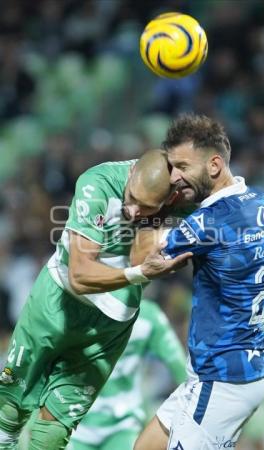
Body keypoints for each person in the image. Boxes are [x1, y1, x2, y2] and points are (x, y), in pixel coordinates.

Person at [0, 150, 191, 450]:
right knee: (9, 408)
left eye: (145, 207)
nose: (132, 210)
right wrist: (139, 272)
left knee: (55, 428)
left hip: (109, 324)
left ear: (168, 200)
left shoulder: (182, 198)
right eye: (131, 198)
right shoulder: (97, 183)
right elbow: (79, 275)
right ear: (131, 175)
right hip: (58, 301)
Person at [133, 114, 264, 450]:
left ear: (214, 165)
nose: (174, 178)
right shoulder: (262, 202)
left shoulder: (208, 223)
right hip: (246, 366)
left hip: (223, 379)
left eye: (182, 166)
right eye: (170, 168)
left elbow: (139, 257)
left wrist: (153, 202)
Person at [67, 298, 186, 450]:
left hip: (122, 423)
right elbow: (183, 371)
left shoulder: (149, 316)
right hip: (76, 421)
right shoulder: (149, 315)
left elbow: (182, 372)